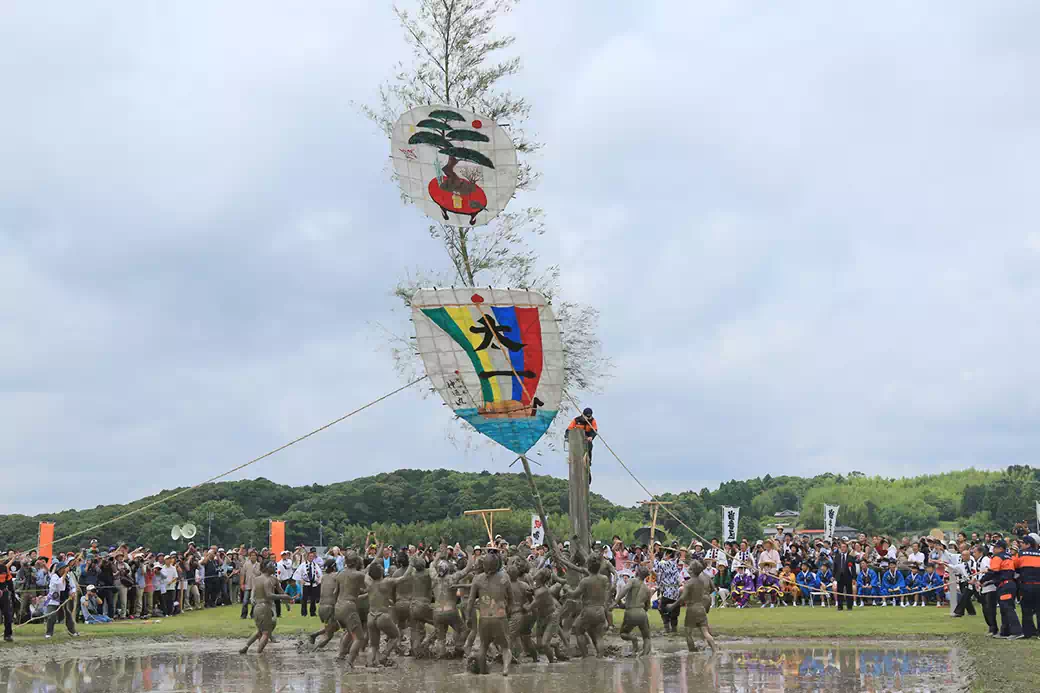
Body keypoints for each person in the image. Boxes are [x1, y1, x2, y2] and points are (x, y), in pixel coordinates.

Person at [467, 551, 513, 676]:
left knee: (483, 646)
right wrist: (509, 613)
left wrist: (468, 617)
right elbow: (511, 598)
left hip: (484, 618)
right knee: (505, 647)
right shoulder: (505, 577)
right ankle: (505, 670)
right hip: (500, 616)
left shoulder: (477, 579)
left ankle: (482, 672)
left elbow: (471, 600)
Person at [240, 561, 291, 654]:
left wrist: (287, 603)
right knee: (266, 633)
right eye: (273, 566)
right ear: (267, 568)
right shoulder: (267, 580)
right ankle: (259, 654)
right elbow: (270, 595)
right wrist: (285, 598)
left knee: (260, 631)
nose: (275, 568)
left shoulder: (263, 579)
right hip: (266, 607)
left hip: (258, 607)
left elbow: (281, 591)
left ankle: (246, 646)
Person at [667, 559, 717, 653]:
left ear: (691, 571)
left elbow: (682, 598)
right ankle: (715, 650)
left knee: (688, 633)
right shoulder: (701, 581)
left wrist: (673, 605)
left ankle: (692, 652)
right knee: (705, 632)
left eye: (689, 568)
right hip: (701, 608)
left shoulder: (689, 583)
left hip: (692, 609)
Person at [984, 539, 1023, 639]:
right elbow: (1017, 569)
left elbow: (992, 572)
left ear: (1000, 548)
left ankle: (1017, 631)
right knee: (1004, 608)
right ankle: (1005, 632)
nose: (993, 549)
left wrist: (981, 581)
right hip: (1010, 584)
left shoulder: (997, 557)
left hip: (1004, 585)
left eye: (995, 547)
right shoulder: (1011, 557)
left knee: (1008, 608)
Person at [615, 565, 651, 656]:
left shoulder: (632, 581)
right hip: (642, 613)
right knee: (647, 638)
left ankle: (634, 639)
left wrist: (616, 601)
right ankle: (645, 657)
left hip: (630, 612)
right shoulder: (647, 589)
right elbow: (647, 607)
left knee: (623, 633)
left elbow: (625, 589)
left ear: (636, 573)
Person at [1014, 533, 1040, 638]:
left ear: (1028, 544)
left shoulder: (1020, 554)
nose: (1021, 546)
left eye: (1022, 543)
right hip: (1039, 586)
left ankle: (1029, 632)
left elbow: (1015, 568)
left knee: (1026, 610)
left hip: (1026, 586)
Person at [44, 562, 78, 639]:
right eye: (63, 568)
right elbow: (60, 586)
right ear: (59, 569)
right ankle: (49, 633)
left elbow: (73, 586)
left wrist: (73, 592)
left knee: (68, 615)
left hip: (64, 599)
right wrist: (65, 573)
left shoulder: (68, 577)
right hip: (54, 599)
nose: (65, 570)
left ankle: (72, 631)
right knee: (51, 616)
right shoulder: (54, 577)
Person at [653, 546, 682, 632]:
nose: (664, 555)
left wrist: (653, 557)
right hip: (674, 591)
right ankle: (673, 628)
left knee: (662, 608)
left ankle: (667, 627)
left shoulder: (666, 563)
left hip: (669, 591)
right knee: (674, 610)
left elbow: (656, 566)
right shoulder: (674, 563)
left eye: (665, 553)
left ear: (669, 554)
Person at [567, 408, 598, 477]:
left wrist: (591, 437)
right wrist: (568, 437)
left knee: (590, 447)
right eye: (587, 416)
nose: (588, 418)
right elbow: (568, 429)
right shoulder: (576, 420)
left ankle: (588, 462)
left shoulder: (592, 421)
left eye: (589, 416)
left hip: (587, 440)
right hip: (577, 439)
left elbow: (595, 430)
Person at [833, 541, 856, 611]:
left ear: (847, 548)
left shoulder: (850, 557)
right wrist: (834, 576)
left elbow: (853, 568)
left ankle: (849, 606)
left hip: (848, 576)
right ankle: (840, 606)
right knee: (839, 592)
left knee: (849, 592)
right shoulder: (837, 557)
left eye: (844, 547)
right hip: (839, 576)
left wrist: (854, 578)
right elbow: (835, 568)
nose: (842, 548)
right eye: (841, 547)